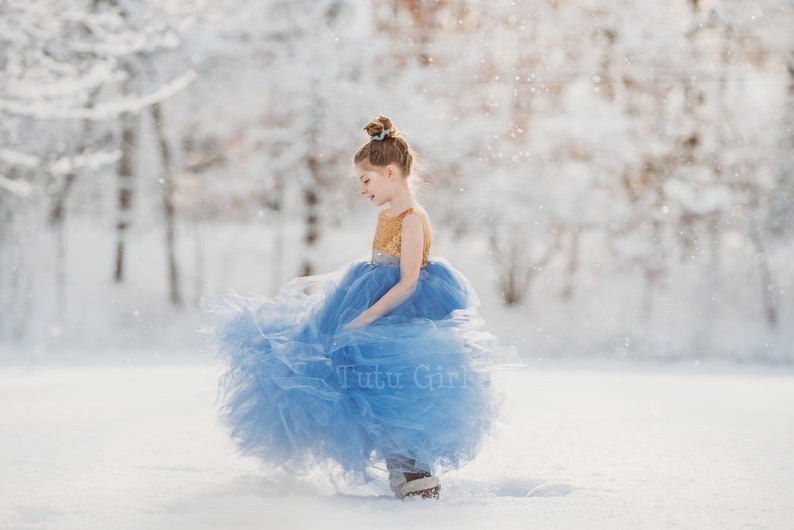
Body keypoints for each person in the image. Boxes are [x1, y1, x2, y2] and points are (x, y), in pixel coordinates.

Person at [203, 114, 507, 500]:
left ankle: (412, 465)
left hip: (405, 308)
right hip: (368, 293)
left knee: (398, 380)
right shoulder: (387, 215)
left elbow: (408, 281)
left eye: (367, 180)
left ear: (392, 173)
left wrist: (365, 316)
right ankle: (401, 462)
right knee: (352, 372)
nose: (362, 189)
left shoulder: (413, 219)